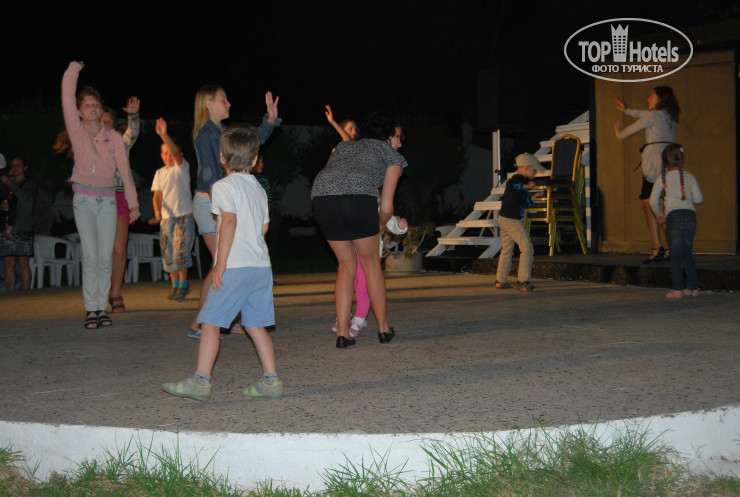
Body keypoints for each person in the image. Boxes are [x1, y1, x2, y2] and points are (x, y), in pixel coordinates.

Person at [162, 125, 281, 401]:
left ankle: (200, 382)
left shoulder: (222, 187)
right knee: (255, 325)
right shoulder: (259, 189)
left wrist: (220, 263)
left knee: (211, 322)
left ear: (221, 158)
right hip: (260, 266)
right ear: (254, 159)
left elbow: (228, 222)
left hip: (234, 266)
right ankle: (271, 381)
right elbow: (264, 228)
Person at [189, 85, 280, 338]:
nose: (228, 103)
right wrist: (232, 201)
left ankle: (209, 320)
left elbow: (247, 143)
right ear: (208, 104)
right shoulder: (206, 134)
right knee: (222, 263)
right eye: (223, 99)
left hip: (223, 203)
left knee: (224, 264)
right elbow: (212, 177)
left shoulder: (222, 132)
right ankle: (204, 322)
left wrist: (269, 121)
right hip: (211, 204)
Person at [311, 111, 407, 348]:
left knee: (346, 266)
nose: (399, 143)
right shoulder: (392, 156)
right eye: (397, 137)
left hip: (322, 200)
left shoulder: (345, 147)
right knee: (371, 264)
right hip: (357, 201)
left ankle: (343, 333)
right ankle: (383, 329)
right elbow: (387, 206)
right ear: (387, 137)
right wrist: (381, 225)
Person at [61, 61, 140, 329]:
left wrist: (133, 204)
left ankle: (101, 308)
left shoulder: (114, 137)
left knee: (106, 256)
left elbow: (125, 171)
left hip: (108, 200)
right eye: (87, 105)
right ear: (79, 112)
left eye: (96, 104)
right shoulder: (76, 131)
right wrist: (73, 70)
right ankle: (91, 309)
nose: (92, 108)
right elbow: (66, 96)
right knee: (91, 256)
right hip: (83, 200)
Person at [614, 86, 680, 263]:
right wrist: (626, 110)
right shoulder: (668, 115)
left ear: (660, 99)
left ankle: (661, 247)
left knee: (651, 202)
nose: (648, 99)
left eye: (651, 97)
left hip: (655, 163)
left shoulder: (655, 116)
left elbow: (635, 126)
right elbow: (643, 114)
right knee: (655, 202)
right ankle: (665, 247)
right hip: (667, 159)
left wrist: (620, 134)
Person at [149, 118, 195, 301]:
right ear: (161, 156)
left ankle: (183, 284)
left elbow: (175, 153)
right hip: (167, 218)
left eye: (170, 153)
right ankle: (175, 285)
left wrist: (164, 135)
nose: (168, 156)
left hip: (183, 216)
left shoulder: (181, 168)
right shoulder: (160, 173)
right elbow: (157, 196)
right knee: (168, 254)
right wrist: (157, 214)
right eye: (165, 153)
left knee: (180, 252)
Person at [102, 97, 141, 313]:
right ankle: (99, 293)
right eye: (100, 122)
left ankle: (115, 293)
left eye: (108, 122)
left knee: (118, 249)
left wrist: (132, 115)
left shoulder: (119, 143)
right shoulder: (88, 144)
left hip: (118, 197)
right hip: (97, 198)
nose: (103, 126)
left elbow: (132, 133)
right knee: (100, 250)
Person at [649, 144, 703, 299]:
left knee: (676, 254)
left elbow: (652, 201)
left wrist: (659, 214)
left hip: (673, 217)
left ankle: (677, 289)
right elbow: (699, 198)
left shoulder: (661, 179)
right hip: (690, 216)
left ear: (664, 162)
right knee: (687, 253)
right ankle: (693, 288)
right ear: (681, 159)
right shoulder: (689, 177)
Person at [494, 153, 545, 292]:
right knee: (527, 247)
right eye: (534, 170)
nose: (535, 173)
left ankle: (500, 280)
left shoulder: (520, 185)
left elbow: (524, 203)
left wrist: (534, 196)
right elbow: (513, 184)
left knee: (507, 249)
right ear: (526, 168)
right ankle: (523, 281)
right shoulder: (517, 179)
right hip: (511, 220)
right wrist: (528, 186)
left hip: (504, 219)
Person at [0, 156, 37, 291]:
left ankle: (26, 293)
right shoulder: (7, 186)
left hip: (23, 227)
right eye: (13, 165)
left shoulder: (29, 184)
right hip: (8, 227)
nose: (15, 168)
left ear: (25, 168)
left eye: (18, 165)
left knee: (23, 262)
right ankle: (10, 293)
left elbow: (23, 197)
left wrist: (9, 183)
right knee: (8, 261)